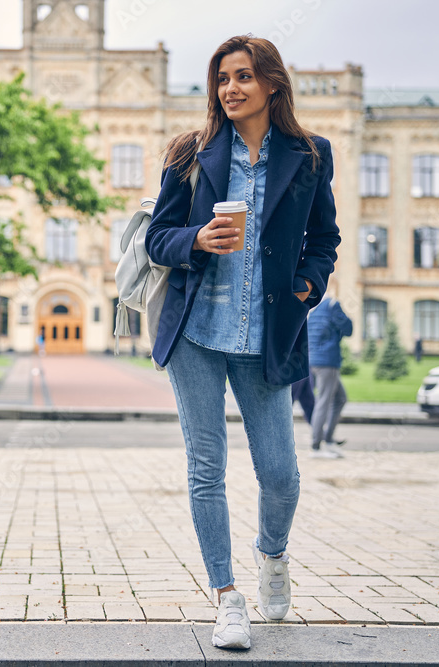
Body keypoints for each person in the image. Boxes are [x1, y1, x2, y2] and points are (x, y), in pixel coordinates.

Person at [145, 35, 339, 650]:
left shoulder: (309, 155)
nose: (230, 88)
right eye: (223, 78)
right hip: (197, 332)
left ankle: (272, 555)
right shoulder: (190, 154)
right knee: (207, 470)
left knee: (279, 474)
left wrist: (308, 285)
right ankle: (227, 599)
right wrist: (196, 240)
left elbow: (324, 237)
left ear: (273, 85)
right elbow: (157, 239)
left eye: (244, 77)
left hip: (265, 337)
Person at [306, 295, 353, 458]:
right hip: (327, 361)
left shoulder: (314, 309)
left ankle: (328, 440)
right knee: (324, 401)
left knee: (340, 398)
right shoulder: (333, 305)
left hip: (314, 360)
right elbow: (348, 329)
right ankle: (316, 446)